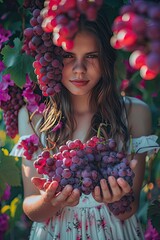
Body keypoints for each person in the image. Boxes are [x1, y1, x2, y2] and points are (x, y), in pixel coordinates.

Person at [10, 4, 159, 240]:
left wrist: (118, 198)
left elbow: (130, 208)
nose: (79, 70)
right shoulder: (32, 117)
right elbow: (31, 206)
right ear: (53, 60)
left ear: (106, 61)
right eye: (68, 56)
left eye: (91, 56)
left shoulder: (134, 113)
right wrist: (48, 202)